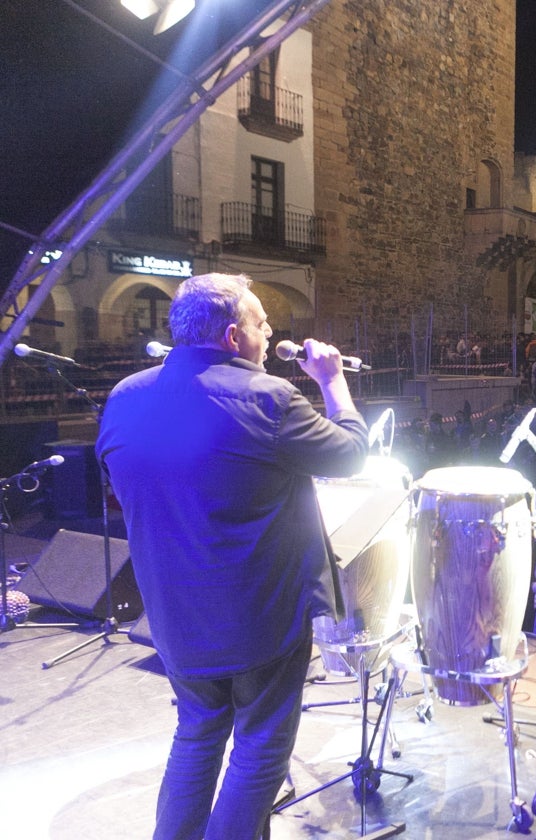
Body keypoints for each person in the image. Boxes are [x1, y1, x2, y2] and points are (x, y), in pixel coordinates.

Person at [96, 273, 369, 839]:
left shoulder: (125, 397)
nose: (270, 332)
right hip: (258, 623)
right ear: (230, 335)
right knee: (259, 753)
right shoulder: (267, 398)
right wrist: (333, 380)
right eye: (260, 321)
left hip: (176, 621)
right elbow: (351, 454)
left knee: (195, 739)